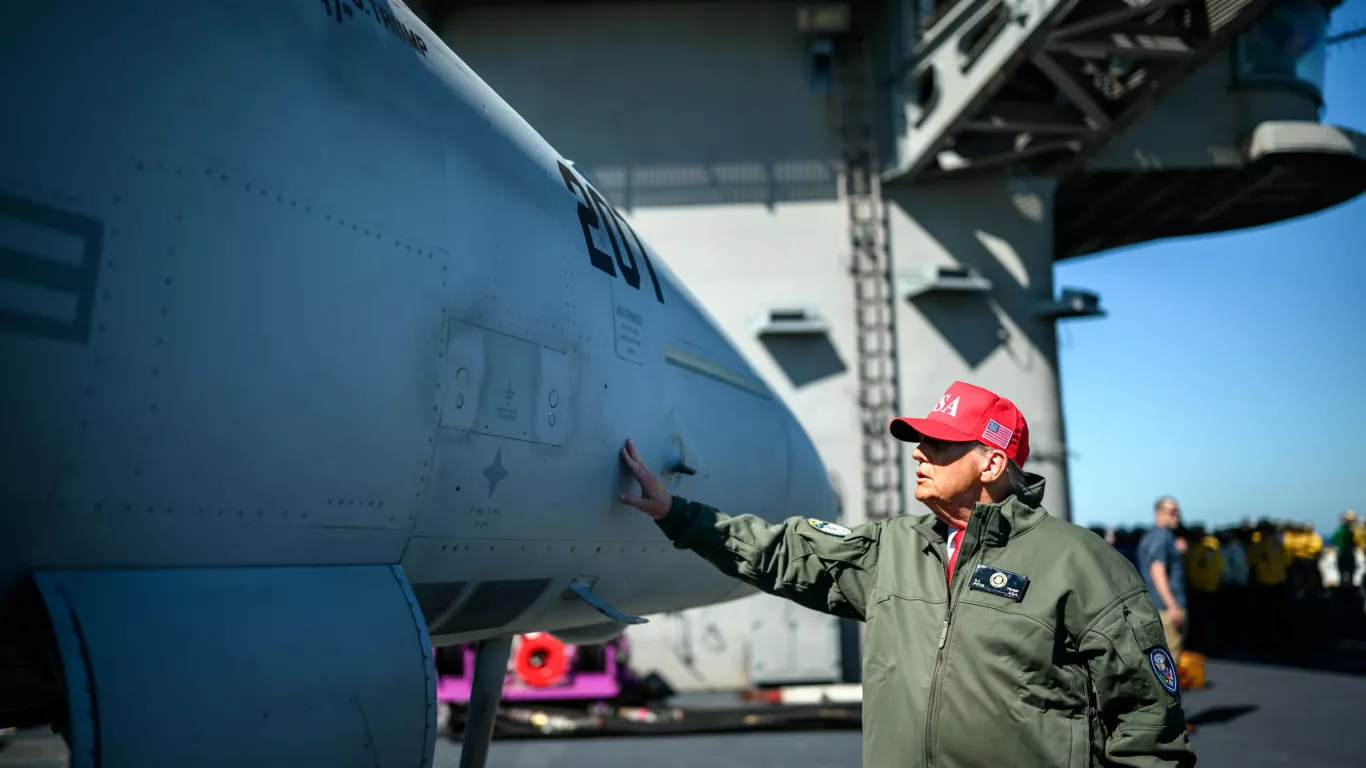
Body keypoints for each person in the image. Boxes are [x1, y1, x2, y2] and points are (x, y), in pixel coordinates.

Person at [619, 381, 1194, 767]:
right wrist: (677, 514)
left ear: (992, 462)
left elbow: (1148, 725)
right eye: (920, 441)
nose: (918, 452)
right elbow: (785, 552)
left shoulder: (1082, 565)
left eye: (939, 444)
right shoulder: (893, 548)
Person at [1138, 497, 1188, 659]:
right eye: (1172, 512)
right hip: (1166, 609)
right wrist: (1172, 606)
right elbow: (1157, 572)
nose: (1177, 516)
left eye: (1178, 512)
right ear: (1158, 513)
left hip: (1155, 607)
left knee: (1158, 659)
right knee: (1170, 661)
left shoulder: (1152, 536)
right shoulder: (1162, 537)